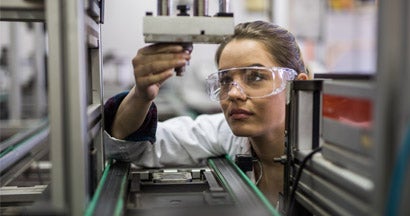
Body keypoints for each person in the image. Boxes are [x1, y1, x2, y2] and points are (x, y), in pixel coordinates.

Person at [103, 20, 309, 206]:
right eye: (226, 80)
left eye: (255, 77)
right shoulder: (223, 134)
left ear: (297, 87)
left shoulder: (327, 156)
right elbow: (130, 148)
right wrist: (141, 95)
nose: (234, 93)